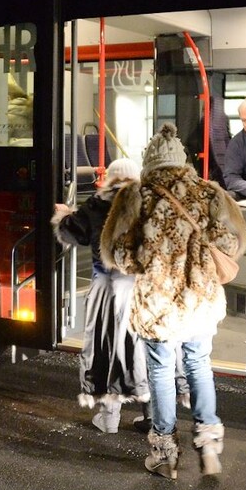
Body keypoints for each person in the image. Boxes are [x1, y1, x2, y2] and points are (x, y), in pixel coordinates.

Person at [101, 123, 246, 479]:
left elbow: (118, 252)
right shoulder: (209, 194)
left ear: (150, 162)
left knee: (162, 371)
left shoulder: (137, 195)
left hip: (157, 302)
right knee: (198, 364)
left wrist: (145, 263)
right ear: (182, 162)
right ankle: (209, 441)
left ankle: (165, 452)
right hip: (199, 298)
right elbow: (230, 244)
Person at [52, 158, 146, 433]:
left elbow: (71, 232)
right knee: (142, 350)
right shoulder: (147, 204)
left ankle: (109, 418)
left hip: (106, 288)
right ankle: (152, 415)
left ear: (111, 178)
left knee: (106, 352)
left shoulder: (98, 203)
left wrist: (64, 213)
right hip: (140, 290)